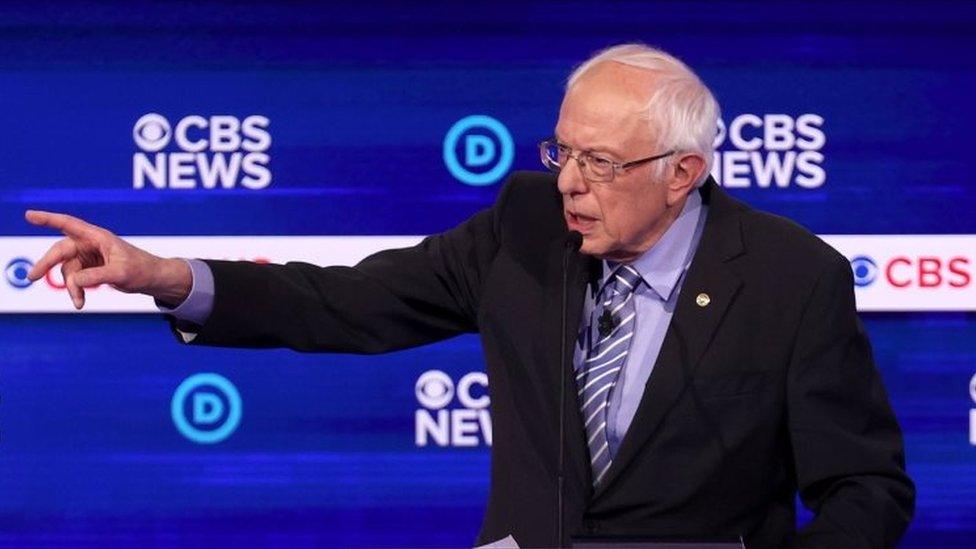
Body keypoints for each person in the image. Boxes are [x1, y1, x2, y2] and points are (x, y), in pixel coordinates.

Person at [25, 44, 913, 548]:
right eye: (562, 151)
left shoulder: (794, 279)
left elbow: (867, 488)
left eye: (602, 163)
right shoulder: (525, 228)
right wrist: (167, 276)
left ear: (685, 173)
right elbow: (349, 303)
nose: (571, 182)